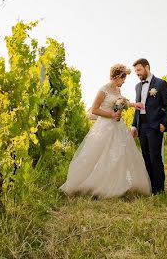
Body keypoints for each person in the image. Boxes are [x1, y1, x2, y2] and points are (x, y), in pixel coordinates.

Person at [59, 64, 152, 198]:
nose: (124, 81)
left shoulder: (117, 90)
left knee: (120, 155)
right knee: (98, 155)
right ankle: (93, 185)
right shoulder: (103, 90)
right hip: (105, 126)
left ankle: (116, 185)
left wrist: (133, 105)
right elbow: (94, 110)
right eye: (123, 78)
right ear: (118, 77)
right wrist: (111, 115)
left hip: (118, 127)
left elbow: (122, 102)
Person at [130, 58, 167, 195]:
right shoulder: (137, 87)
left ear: (147, 67)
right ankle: (150, 188)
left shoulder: (160, 84)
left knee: (155, 158)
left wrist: (164, 123)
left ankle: (159, 190)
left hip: (155, 126)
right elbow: (137, 108)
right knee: (146, 158)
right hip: (141, 126)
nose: (137, 73)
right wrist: (134, 125)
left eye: (139, 70)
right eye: (136, 71)